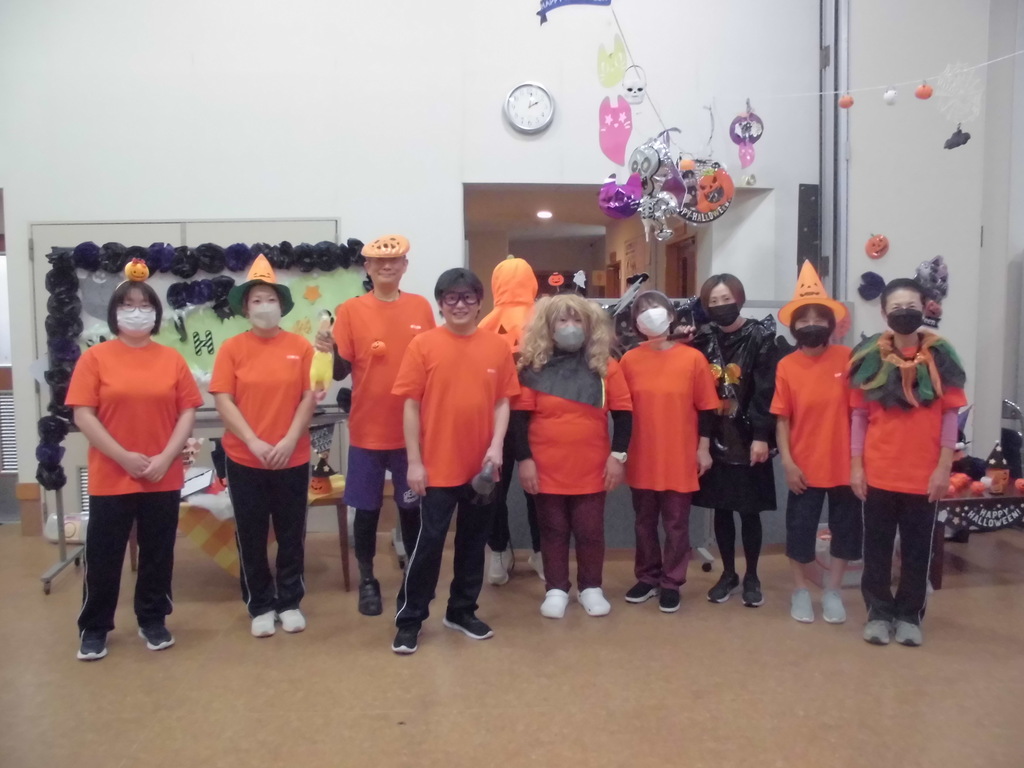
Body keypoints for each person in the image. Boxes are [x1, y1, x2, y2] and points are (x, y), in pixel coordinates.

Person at [67, 267, 202, 661]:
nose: (137, 312)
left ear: (156, 313)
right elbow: (84, 415)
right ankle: (94, 627)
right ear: (115, 312)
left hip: (162, 473)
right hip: (112, 474)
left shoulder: (171, 359)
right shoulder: (94, 358)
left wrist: (166, 457)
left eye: (145, 305)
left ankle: (153, 618)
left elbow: (187, 412)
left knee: (158, 552)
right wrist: (123, 456)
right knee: (104, 554)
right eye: (128, 305)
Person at [391, 268, 519, 655]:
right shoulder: (423, 345)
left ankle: (461, 611)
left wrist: (496, 447)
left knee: (473, 541)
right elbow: (410, 407)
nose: (459, 305)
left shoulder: (497, 347)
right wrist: (414, 462)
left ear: (480, 303)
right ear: (441, 303)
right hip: (437, 466)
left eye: (467, 298)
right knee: (429, 543)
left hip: (482, 468)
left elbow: (502, 401)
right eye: (451, 298)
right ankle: (410, 619)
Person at [316, 235, 435, 616]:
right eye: (378, 261)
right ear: (367, 267)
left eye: (394, 260)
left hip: (412, 433)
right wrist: (327, 348)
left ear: (404, 266)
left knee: (411, 508)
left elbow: (433, 364)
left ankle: (412, 575)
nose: (387, 266)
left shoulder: (420, 307)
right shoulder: (351, 310)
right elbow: (340, 371)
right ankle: (368, 578)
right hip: (367, 430)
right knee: (365, 510)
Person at [849, 277, 966, 647]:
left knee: (918, 552)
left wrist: (944, 468)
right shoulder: (868, 358)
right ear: (884, 313)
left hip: (924, 476)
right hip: (878, 473)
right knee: (877, 551)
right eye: (896, 308)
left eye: (911, 307)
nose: (904, 313)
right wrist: (856, 466)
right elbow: (859, 418)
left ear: (925, 308)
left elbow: (950, 416)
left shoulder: (942, 357)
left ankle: (909, 615)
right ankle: (878, 613)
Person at [210, 255, 315, 638]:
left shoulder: (301, 347)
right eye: (256, 300)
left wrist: (288, 440)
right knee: (251, 535)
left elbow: (309, 397)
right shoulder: (232, 348)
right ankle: (260, 604)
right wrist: (253, 441)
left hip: (293, 456)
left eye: (270, 299)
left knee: (291, 534)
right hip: (244, 458)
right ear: (245, 307)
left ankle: (289, 602)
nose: (264, 306)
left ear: (282, 305)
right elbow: (223, 399)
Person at [512, 293, 632, 619]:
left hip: (592, 467)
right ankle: (556, 589)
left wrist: (618, 456)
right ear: (548, 327)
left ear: (589, 325)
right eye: (562, 320)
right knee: (552, 530)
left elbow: (624, 415)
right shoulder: (532, 367)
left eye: (577, 319)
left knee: (590, 530)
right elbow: (518, 419)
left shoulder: (606, 367)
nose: (570, 326)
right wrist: (524, 460)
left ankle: (591, 587)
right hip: (545, 467)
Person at [771, 261, 860, 625]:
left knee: (846, 531)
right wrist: (788, 463)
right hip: (804, 466)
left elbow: (861, 415)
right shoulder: (787, 366)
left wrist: (860, 463)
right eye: (803, 319)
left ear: (830, 323)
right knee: (799, 530)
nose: (811, 324)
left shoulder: (848, 359)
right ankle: (800, 590)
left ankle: (833, 591)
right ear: (794, 326)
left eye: (818, 318)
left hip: (845, 465)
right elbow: (782, 418)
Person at [620, 290, 719, 613]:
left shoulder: (693, 359)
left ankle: (671, 581)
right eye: (642, 309)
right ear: (636, 323)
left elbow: (707, 408)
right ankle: (647, 577)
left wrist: (703, 448)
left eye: (656, 307)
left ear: (671, 315)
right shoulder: (629, 360)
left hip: (679, 454)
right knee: (643, 522)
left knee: (677, 523)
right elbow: (620, 410)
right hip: (641, 454)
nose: (650, 313)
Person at [691, 274, 778, 608]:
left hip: (749, 437)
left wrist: (761, 436)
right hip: (713, 434)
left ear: (739, 298)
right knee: (722, 509)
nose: (720, 306)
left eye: (725, 299)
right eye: (713, 301)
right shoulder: (704, 338)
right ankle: (728, 573)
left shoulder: (760, 335)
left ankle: (752, 575)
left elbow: (766, 390)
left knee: (749, 510)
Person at [477, 255, 543, 585]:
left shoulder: (487, 324)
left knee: (497, 491)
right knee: (534, 491)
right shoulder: (541, 320)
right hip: (510, 419)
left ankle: (506, 551)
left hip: (519, 419)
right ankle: (522, 552)